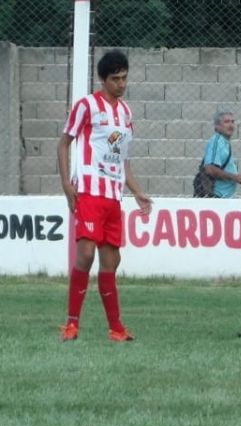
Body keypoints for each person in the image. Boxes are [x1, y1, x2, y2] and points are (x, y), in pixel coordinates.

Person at [56, 49, 153, 342]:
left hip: (113, 196)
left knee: (111, 262)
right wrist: (66, 185)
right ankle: (72, 324)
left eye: (124, 78)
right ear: (103, 79)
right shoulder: (87, 106)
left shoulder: (125, 112)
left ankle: (116, 329)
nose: (121, 84)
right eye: (115, 79)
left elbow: (122, 159)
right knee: (85, 254)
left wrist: (137, 192)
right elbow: (63, 144)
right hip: (88, 190)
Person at [201, 111, 241, 198]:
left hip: (224, 198)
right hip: (216, 197)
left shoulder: (224, 142)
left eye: (232, 122)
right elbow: (210, 169)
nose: (231, 125)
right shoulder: (216, 141)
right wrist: (235, 178)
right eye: (226, 122)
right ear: (217, 126)